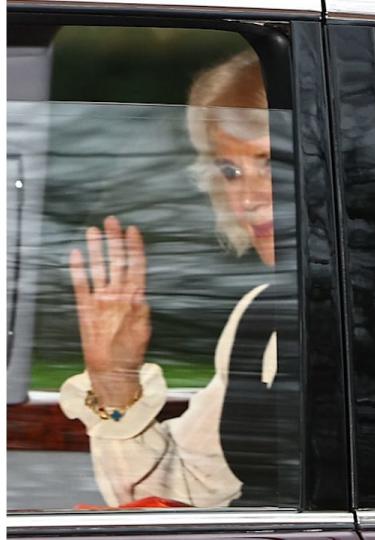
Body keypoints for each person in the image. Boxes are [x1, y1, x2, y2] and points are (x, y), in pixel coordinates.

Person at [59, 50, 287, 508]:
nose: (246, 198)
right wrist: (115, 382)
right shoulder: (261, 315)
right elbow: (184, 489)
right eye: (230, 170)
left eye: (269, 162)